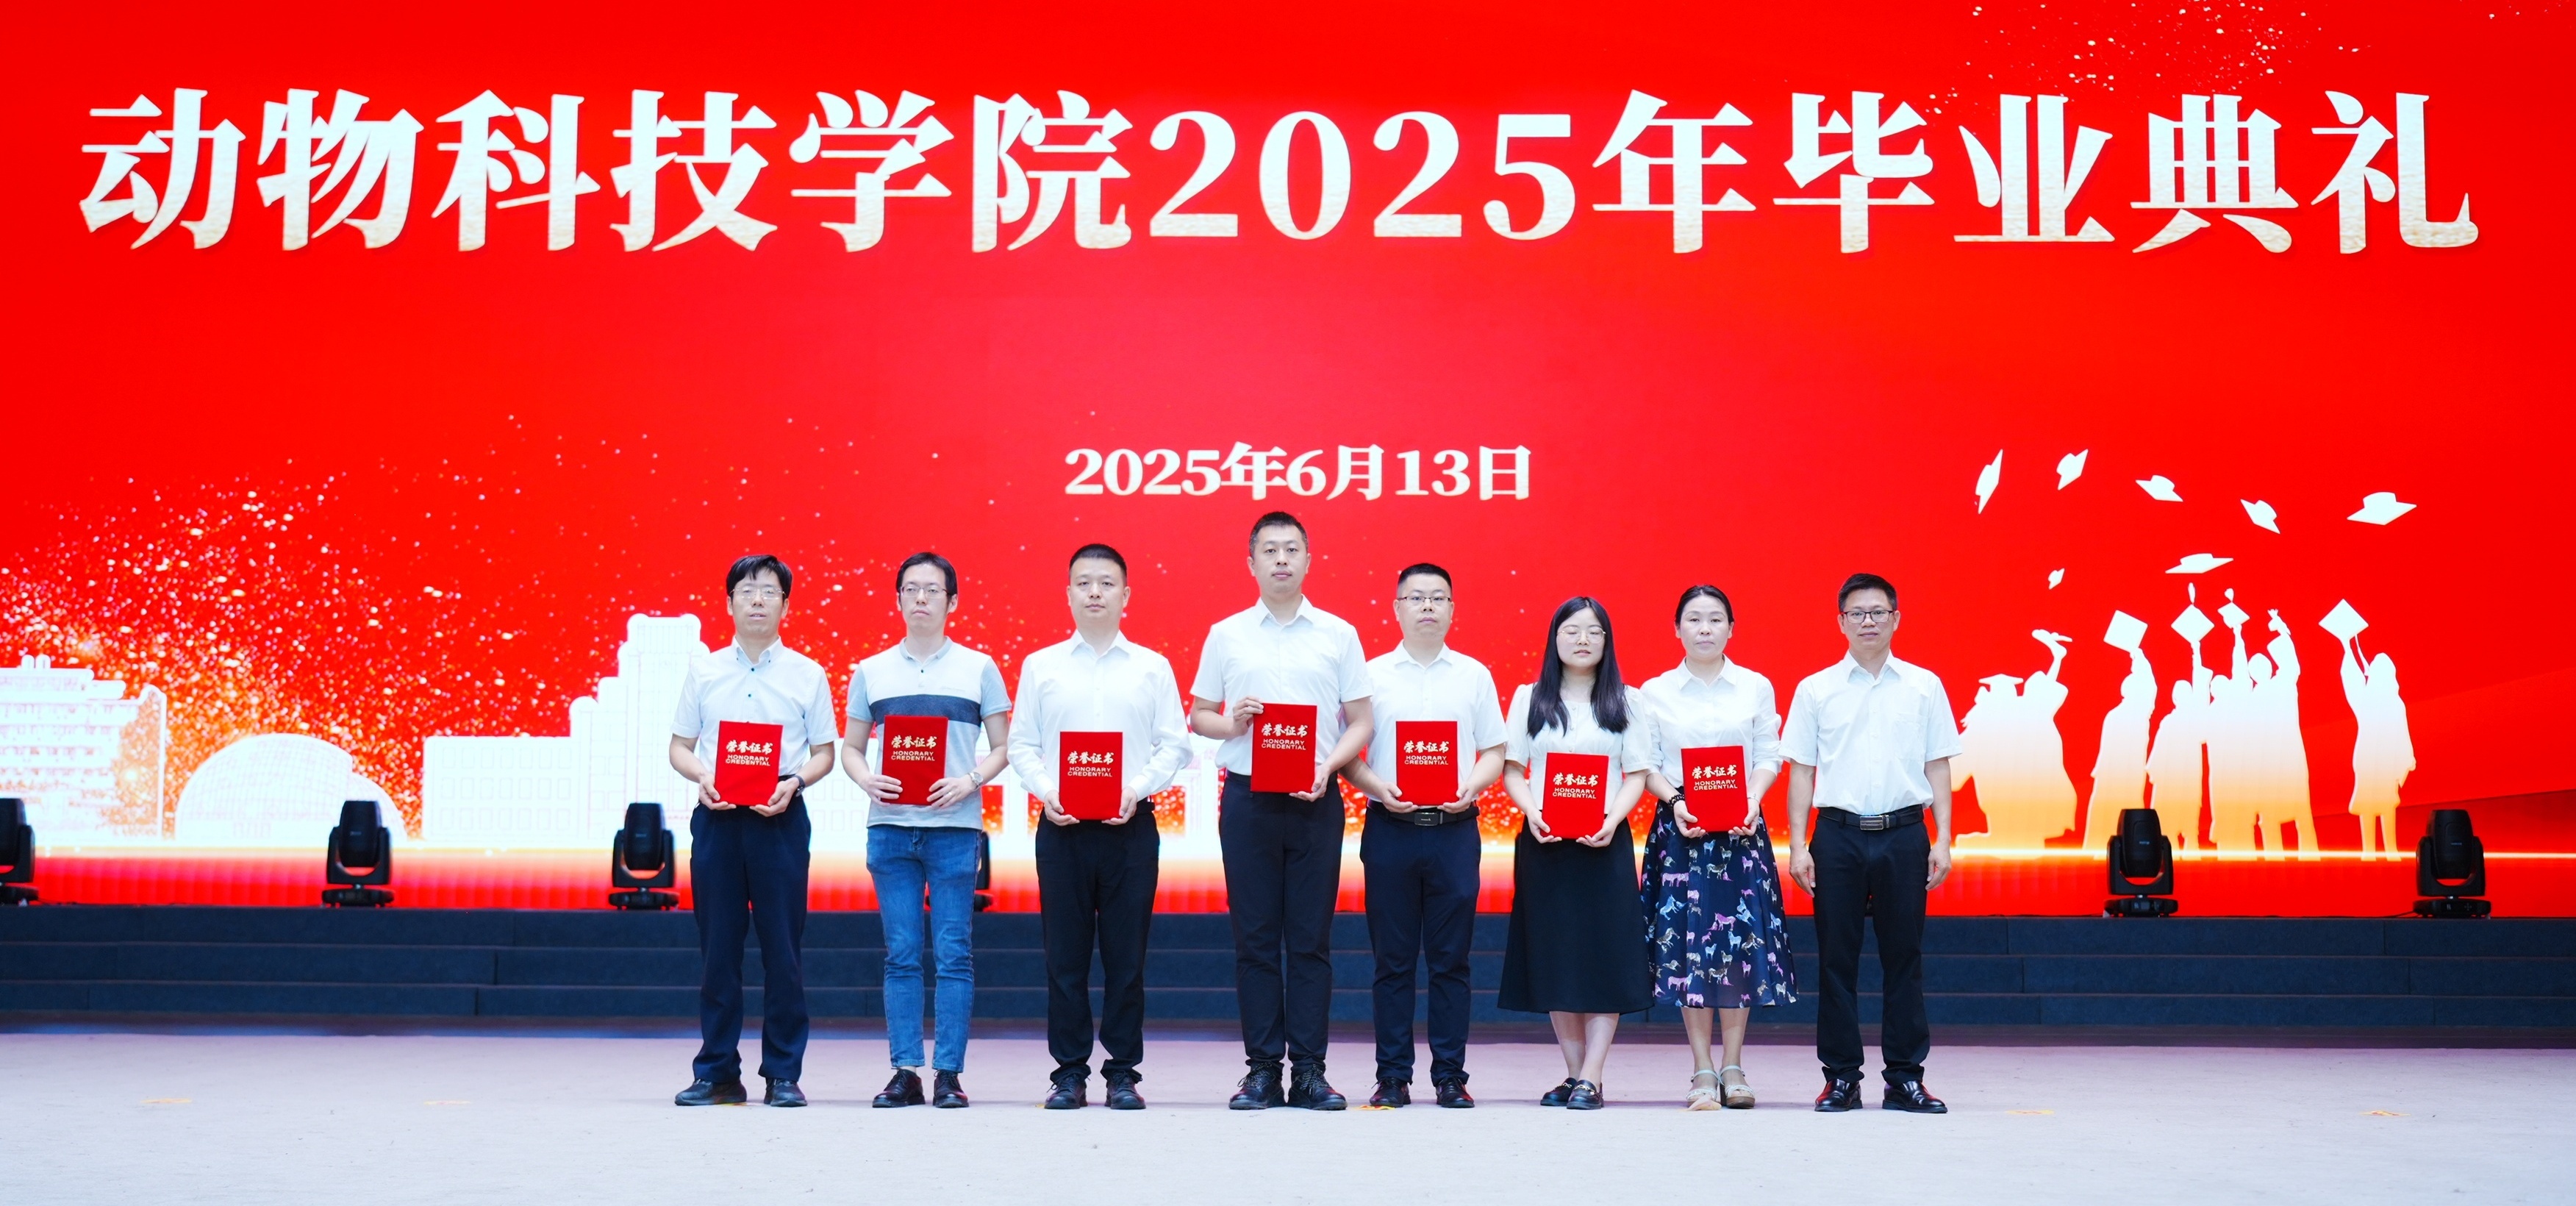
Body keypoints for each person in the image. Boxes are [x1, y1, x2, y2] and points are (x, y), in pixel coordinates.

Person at [1189, 511, 1374, 1110]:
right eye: (1269, 550)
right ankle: (1264, 1069)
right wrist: (1233, 723)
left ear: (1309, 559)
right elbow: (1200, 716)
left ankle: (1311, 1072)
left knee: (1311, 940)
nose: (1281, 559)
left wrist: (1327, 767)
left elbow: (1362, 722)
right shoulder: (1226, 634)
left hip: (1316, 798)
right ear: (1251, 563)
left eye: (1292, 549)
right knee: (1256, 940)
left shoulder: (1338, 634)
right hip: (1248, 800)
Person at [1006, 543, 1192, 1110]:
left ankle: (1123, 1072)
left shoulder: (1152, 667)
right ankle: (1068, 1072)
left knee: (1125, 959)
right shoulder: (1041, 665)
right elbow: (1022, 744)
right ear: (1068, 594)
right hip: (1061, 827)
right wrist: (1048, 791)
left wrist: (1136, 788)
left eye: (1106, 583)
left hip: (1129, 828)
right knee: (1063, 958)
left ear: (1125, 595)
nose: (1094, 592)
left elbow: (1175, 745)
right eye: (1084, 583)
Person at [1783, 573, 1961, 1114]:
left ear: (1896, 619)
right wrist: (1798, 845)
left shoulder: (1924, 686)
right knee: (1835, 961)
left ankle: (1905, 1078)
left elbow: (1938, 765)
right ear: (1840, 622)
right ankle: (1841, 1078)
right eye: (1857, 613)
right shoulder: (1815, 689)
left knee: (1904, 958)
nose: (1868, 622)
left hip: (1905, 834)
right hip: (1836, 837)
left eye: (1878, 612)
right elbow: (1801, 771)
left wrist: (1943, 839)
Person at [668, 554, 840, 1108]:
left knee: (782, 951)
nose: (758, 600)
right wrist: (701, 775)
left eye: (769, 591)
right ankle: (718, 1072)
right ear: (729, 603)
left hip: (780, 820)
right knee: (717, 951)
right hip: (718, 819)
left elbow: (824, 754)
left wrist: (795, 782)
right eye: (747, 590)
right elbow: (679, 747)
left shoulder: (807, 674)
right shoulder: (705, 671)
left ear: (786, 605)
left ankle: (783, 1074)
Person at [1336, 563, 1507, 1109]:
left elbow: (1495, 750)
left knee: (1451, 960)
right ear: (1396, 608)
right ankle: (1392, 1076)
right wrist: (1378, 789)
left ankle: (1450, 1075)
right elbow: (1347, 755)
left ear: (1453, 609)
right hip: (1391, 829)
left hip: (1455, 831)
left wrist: (1470, 786)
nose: (1427, 606)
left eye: (1438, 598)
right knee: (1392, 961)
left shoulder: (1474, 675)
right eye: (1416, 597)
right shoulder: (1370, 675)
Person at [844, 551, 1012, 1110]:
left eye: (932, 590)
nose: (921, 598)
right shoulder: (871, 670)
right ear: (897, 600)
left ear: (952, 602)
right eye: (911, 589)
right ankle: (905, 1071)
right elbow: (851, 748)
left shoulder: (979, 668)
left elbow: (1003, 747)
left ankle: (948, 1074)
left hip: (954, 830)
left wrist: (969, 781)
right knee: (901, 953)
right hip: (891, 830)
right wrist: (866, 778)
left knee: (954, 953)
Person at [1636, 585, 1796, 1110]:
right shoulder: (1654, 692)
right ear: (1677, 629)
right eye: (1694, 619)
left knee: (1739, 946)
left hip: (1741, 827)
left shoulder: (1755, 686)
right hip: (1682, 829)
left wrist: (1753, 799)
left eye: (1715, 619)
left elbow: (1769, 753)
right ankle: (1702, 1067)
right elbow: (1646, 762)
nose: (1704, 628)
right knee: (1688, 948)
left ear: (1731, 628)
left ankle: (1733, 1064)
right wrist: (1675, 800)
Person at [1496, 596, 1656, 1111]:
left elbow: (1636, 774)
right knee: (1556, 957)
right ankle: (1573, 1074)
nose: (1582, 640)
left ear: (1607, 641)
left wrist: (1611, 821)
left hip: (1604, 844)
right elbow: (1514, 769)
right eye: (1571, 630)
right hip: (1545, 843)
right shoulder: (1530, 698)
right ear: (1554, 638)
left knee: (1605, 957)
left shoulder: (1627, 701)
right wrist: (1531, 812)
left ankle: (1593, 1074)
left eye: (1593, 631)